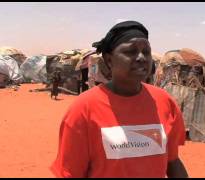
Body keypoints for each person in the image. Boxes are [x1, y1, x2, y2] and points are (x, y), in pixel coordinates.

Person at [50, 20, 188, 178]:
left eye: (146, 51)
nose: (141, 57)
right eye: (131, 51)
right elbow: (71, 173)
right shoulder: (84, 109)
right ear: (109, 60)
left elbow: (172, 161)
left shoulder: (164, 101)